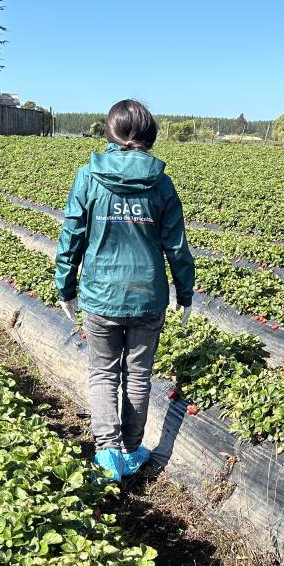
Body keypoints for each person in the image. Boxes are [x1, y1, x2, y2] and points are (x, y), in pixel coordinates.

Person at [55, 99, 195, 482]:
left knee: (102, 372)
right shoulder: (161, 183)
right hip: (148, 296)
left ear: (110, 133)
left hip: (100, 296)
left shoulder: (88, 177)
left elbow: (72, 236)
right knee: (138, 375)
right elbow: (177, 246)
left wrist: (65, 286)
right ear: (150, 136)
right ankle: (132, 452)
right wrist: (185, 292)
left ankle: (108, 454)